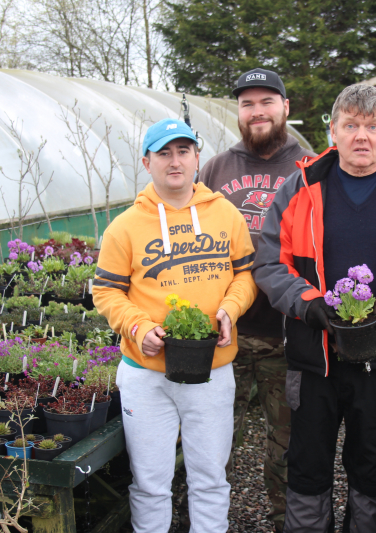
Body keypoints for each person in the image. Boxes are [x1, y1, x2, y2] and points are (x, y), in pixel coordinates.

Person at [253, 84, 376, 532]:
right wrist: (309, 305)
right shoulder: (298, 190)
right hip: (313, 358)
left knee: (372, 468)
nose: (361, 136)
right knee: (306, 468)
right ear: (333, 131)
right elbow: (269, 263)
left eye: (372, 126)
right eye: (351, 126)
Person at [93, 118, 257, 533]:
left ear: (197, 157)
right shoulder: (125, 227)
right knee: (149, 483)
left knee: (210, 478)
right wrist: (136, 326)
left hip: (212, 368)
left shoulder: (225, 214)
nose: (174, 161)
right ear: (146, 162)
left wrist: (230, 310)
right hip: (147, 376)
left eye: (183, 151)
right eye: (164, 153)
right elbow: (107, 292)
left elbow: (246, 274)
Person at [196, 67, 315, 533]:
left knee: (288, 444)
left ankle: (285, 521)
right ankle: (209, 522)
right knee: (212, 443)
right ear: (238, 112)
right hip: (224, 335)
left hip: (287, 335)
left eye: (267, 101)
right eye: (248, 103)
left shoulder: (310, 168)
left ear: (286, 107)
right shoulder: (215, 169)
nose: (257, 111)